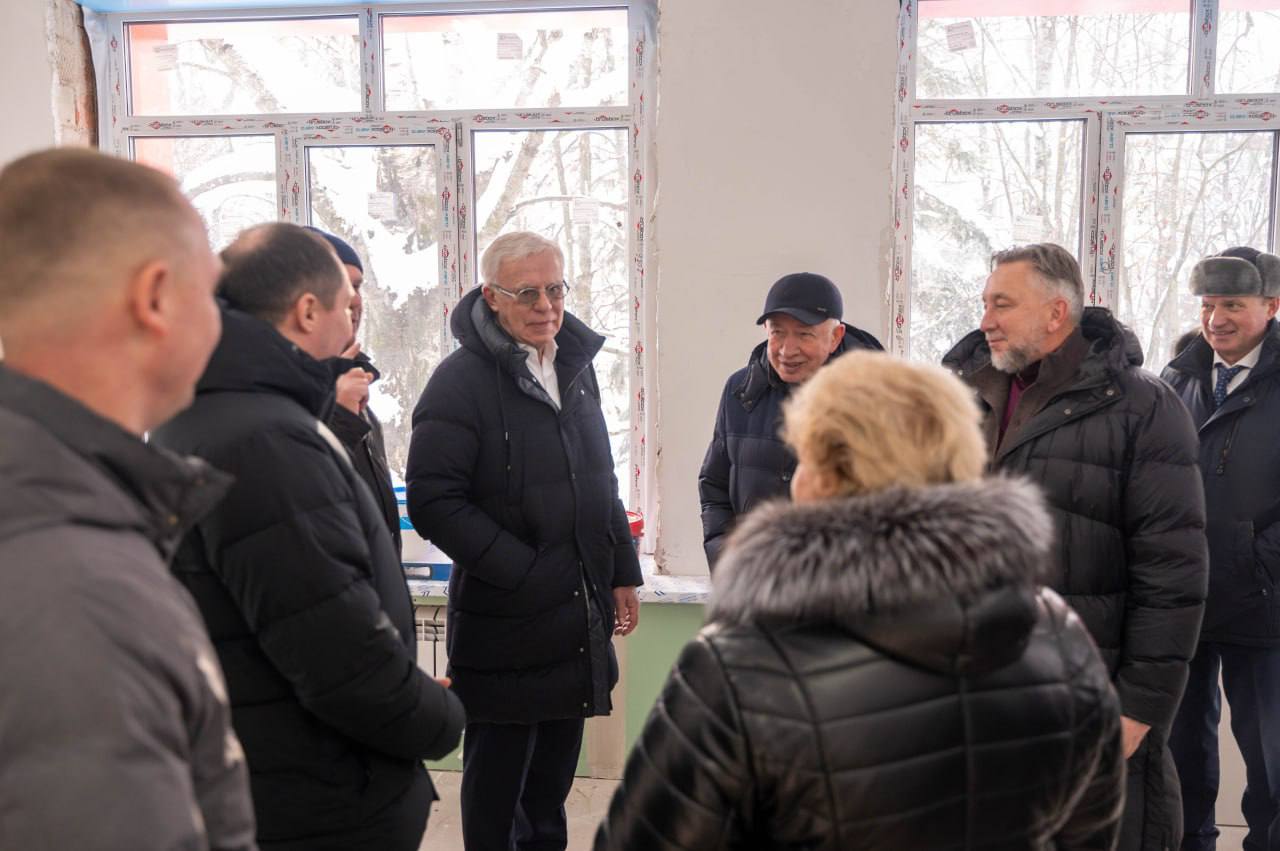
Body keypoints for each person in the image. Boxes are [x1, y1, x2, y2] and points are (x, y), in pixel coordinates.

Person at [596, 352, 1125, 850]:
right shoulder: (1057, 632)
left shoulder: (739, 667)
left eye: (803, 456)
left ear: (824, 477)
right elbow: (1090, 833)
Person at [151, 222, 464, 850]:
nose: (353, 323)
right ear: (307, 311)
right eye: (346, 305)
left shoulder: (209, 412)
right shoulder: (267, 440)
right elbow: (337, 656)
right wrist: (437, 718)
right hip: (314, 796)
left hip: (274, 774)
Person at [0, 148, 256, 850]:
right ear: (156, 297)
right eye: (211, 296)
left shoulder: (57, 509)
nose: (219, 324)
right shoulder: (78, 589)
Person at [942, 242, 1208, 851]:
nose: (985, 320)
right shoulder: (965, 400)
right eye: (985, 304)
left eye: (1002, 304)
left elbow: (1173, 574)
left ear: (1056, 312)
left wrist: (1139, 710)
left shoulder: (1143, 408)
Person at [407, 230, 643, 851]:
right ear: (491, 296)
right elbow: (434, 500)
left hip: (575, 619)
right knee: (497, 797)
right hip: (504, 622)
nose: (547, 306)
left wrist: (622, 569)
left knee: (549, 793)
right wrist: (524, 571)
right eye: (528, 293)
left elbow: (601, 478)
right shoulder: (459, 382)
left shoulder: (574, 368)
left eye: (556, 290)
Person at [1162, 246, 1280, 851]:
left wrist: (1261, 562)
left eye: (1233, 304)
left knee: (1271, 762)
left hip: (1265, 603)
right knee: (1180, 755)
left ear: (1272, 305)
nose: (1216, 320)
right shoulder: (1177, 377)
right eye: (1208, 305)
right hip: (1184, 596)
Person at [698, 272, 882, 568]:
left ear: (836, 337)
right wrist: (727, 564)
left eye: (804, 334)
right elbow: (714, 487)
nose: (787, 350)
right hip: (754, 585)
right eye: (777, 333)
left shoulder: (876, 401)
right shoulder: (740, 391)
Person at [307, 227, 401, 555]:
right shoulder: (276, 392)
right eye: (341, 286)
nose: (355, 300)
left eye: (358, 286)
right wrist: (340, 417)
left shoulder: (355, 382)